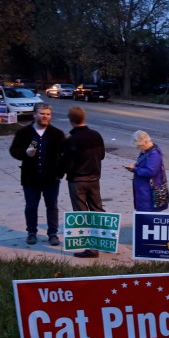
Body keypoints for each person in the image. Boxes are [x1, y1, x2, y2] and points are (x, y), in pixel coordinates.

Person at [9, 103, 66, 246]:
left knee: (52, 207)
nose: (45, 116)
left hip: (51, 179)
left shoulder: (57, 134)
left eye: (48, 114)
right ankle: (31, 233)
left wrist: (59, 173)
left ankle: (53, 233)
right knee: (31, 206)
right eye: (42, 113)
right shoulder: (24, 133)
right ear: (34, 115)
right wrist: (25, 153)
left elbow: (65, 155)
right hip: (30, 178)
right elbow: (14, 151)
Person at [61, 106, 105, 258]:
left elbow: (67, 163)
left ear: (71, 120)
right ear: (84, 118)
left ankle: (91, 249)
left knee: (81, 214)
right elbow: (102, 155)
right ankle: (103, 241)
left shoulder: (72, 139)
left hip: (77, 181)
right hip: (94, 179)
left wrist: (59, 173)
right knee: (97, 210)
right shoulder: (96, 135)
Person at [126, 130, 169, 212]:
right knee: (143, 212)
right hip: (144, 190)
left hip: (149, 191)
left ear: (144, 143)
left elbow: (150, 172)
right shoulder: (146, 151)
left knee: (147, 213)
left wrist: (135, 169)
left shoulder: (153, 154)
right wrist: (135, 166)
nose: (139, 148)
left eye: (139, 146)